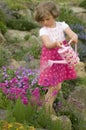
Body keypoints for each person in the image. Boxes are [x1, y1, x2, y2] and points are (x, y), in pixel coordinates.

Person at [34, 1, 78, 114]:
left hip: (62, 56)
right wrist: (55, 43)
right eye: (42, 20)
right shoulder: (43, 30)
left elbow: (72, 34)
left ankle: (48, 107)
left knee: (57, 86)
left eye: (47, 19)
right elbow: (48, 45)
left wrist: (74, 37)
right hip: (51, 59)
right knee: (53, 86)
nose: (45, 22)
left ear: (54, 15)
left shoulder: (61, 25)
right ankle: (47, 109)